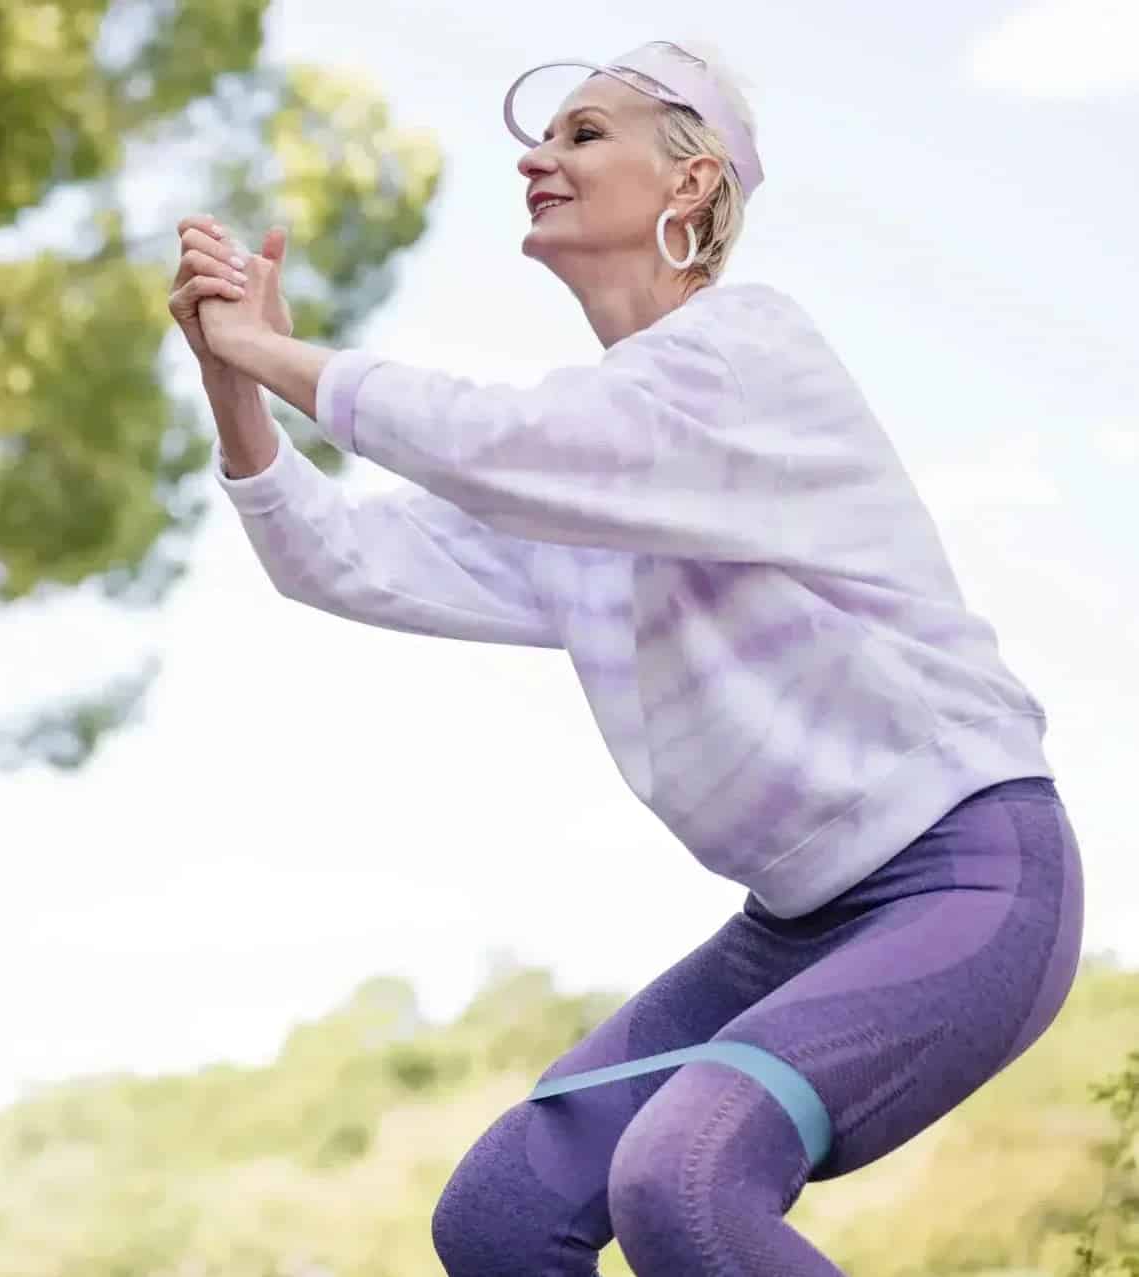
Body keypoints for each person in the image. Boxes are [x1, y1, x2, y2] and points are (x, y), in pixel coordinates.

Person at [166, 37, 1084, 1277]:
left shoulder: (748, 354)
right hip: (796, 923)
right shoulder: (586, 472)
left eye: (585, 134)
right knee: (499, 1215)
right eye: (543, 138)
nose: (537, 157)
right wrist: (233, 384)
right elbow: (341, 559)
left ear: (691, 185)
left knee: (682, 1180)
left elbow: (505, 440)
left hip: (966, 881)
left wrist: (281, 357)